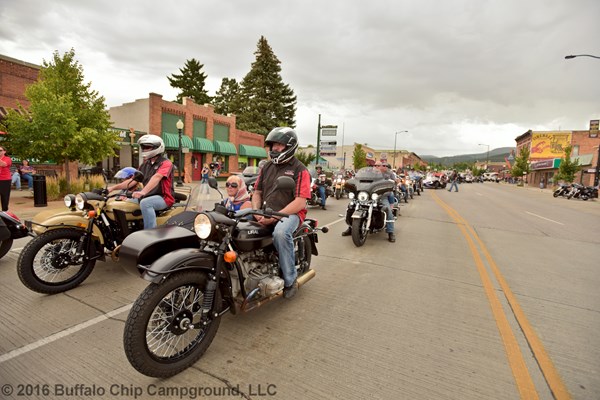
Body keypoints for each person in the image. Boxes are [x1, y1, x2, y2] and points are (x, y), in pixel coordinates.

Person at [252, 127, 311, 299]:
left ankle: (290, 279)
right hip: (265, 211)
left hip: (291, 214)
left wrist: (275, 217)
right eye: (273, 145)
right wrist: (256, 212)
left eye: (279, 145)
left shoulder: (300, 170)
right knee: (236, 224)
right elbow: (257, 192)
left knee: (280, 232)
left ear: (289, 147)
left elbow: (301, 201)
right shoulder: (266, 167)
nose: (275, 148)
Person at [107, 135, 175, 229]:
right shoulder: (144, 165)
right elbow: (133, 181)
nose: (145, 150)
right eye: (143, 147)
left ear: (157, 147)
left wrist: (142, 192)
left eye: (147, 147)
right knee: (121, 202)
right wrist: (112, 188)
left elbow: (157, 177)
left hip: (164, 198)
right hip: (147, 196)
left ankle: (150, 233)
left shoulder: (166, 163)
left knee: (145, 203)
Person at [341, 163, 397, 242]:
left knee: (388, 211)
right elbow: (358, 180)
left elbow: (392, 183)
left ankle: (390, 232)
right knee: (351, 207)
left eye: (379, 165)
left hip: (380, 196)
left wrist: (391, 184)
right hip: (365, 195)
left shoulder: (387, 174)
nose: (376, 167)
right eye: (375, 165)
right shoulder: (367, 173)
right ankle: (351, 228)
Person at [0, 146, 13, 211]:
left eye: (0, 150)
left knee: (4, 197)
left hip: (5, 180)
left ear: (4, 151)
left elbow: (3, 164)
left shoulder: (7, 158)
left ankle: (4, 212)